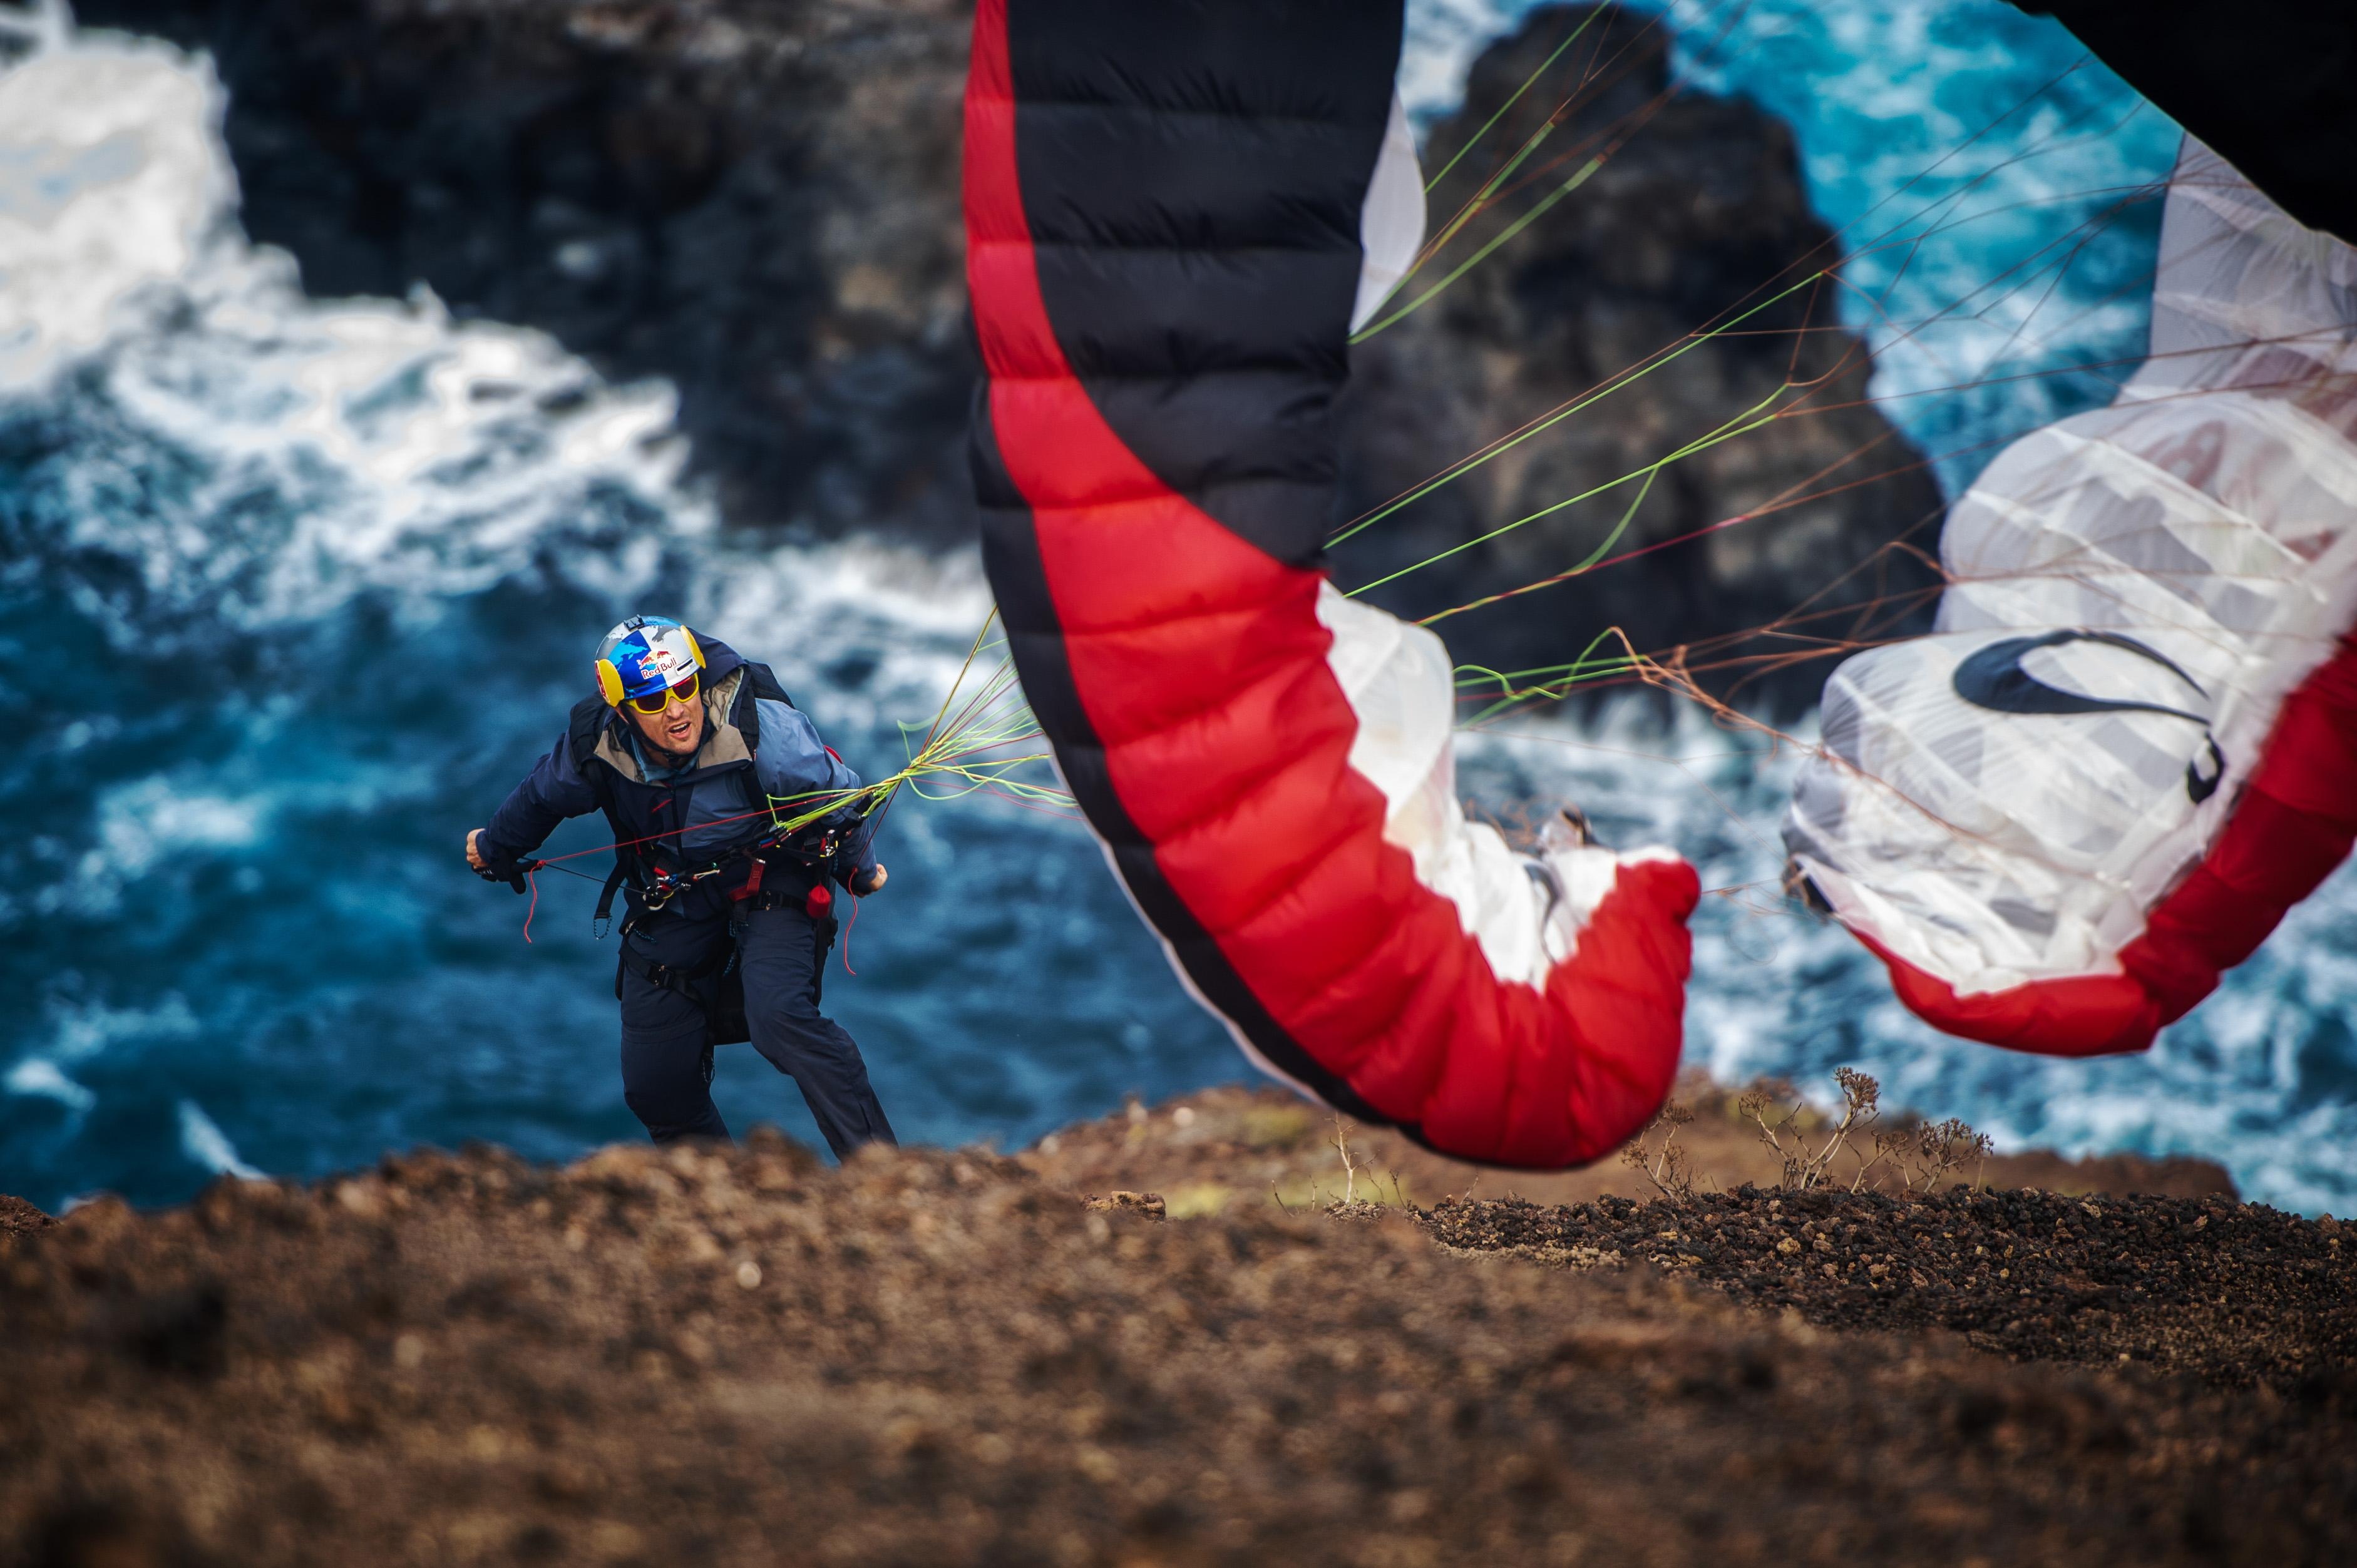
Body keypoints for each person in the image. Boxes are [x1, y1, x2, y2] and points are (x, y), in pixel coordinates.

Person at [466, 616, 896, 1155]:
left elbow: (840, 798)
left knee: (780, 1019)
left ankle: (880, 1171)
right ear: (622, 709)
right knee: (655, 1084)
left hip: (773, 871)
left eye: (685, 687)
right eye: (651, 699)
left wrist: (858, 871)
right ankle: (725, 1208)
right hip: (673, 893)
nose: (676, 709)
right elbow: (539, 799)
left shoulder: (765, 735)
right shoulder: (595, 749)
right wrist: (494, 848)